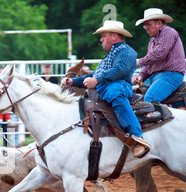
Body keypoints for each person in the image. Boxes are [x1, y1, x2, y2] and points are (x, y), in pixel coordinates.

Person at [62, 20, 151, 158]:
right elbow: (93, 75)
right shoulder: (109, 57)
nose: (101, 39)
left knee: (114, 94)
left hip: (119, 85)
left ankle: (137, 138)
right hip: (106, 86)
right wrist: (73, 81)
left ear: (114, 36)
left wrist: (96, 80)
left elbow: (120, 69)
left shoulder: (127, 51)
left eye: (103, 35)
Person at [132, 8, 185, 103]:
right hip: (160, 76)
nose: (146, 28)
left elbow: (159, 54)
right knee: (136, 99)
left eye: (149, 24)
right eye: (145, 26)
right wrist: (141, 75)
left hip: (170, 74)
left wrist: (139, 62)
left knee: (150, 99)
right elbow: (150, 61)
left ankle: (157, 117)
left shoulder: (168, 32)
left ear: (159, 23)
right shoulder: (152, 40)